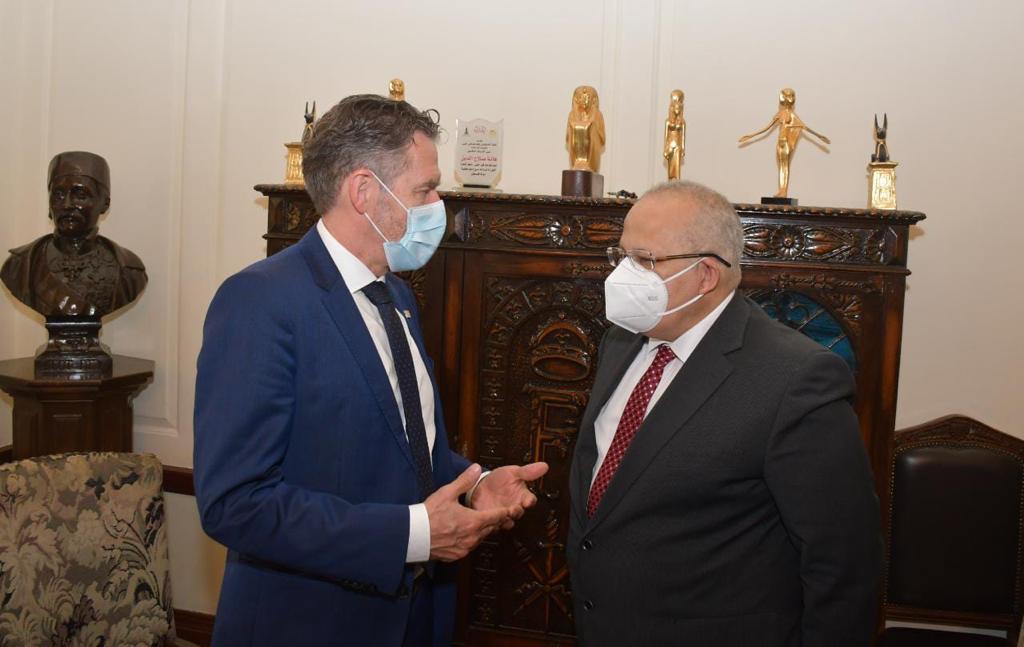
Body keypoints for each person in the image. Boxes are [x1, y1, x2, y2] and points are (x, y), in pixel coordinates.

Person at [194, 94, 547, 647]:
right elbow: (235, 504)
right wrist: (413, 535)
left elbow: (404, 448)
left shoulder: (397, 296)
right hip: (311, 624)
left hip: (414, 615)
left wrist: (475, 484)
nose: (438, 206)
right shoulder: (260, 301)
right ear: (363, 191)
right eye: (425, 190)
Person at [568, 181, 881, 646]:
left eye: (645, 260)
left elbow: (842, 562)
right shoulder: (622, 340)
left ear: (706, 275)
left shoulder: (796, 378)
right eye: (620, 256)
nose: (622, 275)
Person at [1, 151, 147, 317]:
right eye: (58, 195)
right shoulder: (20, 265)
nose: (67, 205)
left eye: (80, 195)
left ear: (105, 204)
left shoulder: (129, 271)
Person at [737, 87, 831, 198]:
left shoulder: (791, 115)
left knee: (785, 167)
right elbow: (767, 128)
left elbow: (804, 127)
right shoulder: (780, 113)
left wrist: (819, 136)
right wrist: (751, 135)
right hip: (780, 143)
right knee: (781, 167)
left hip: (786, 143)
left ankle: (784, 191)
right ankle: (781, 191)